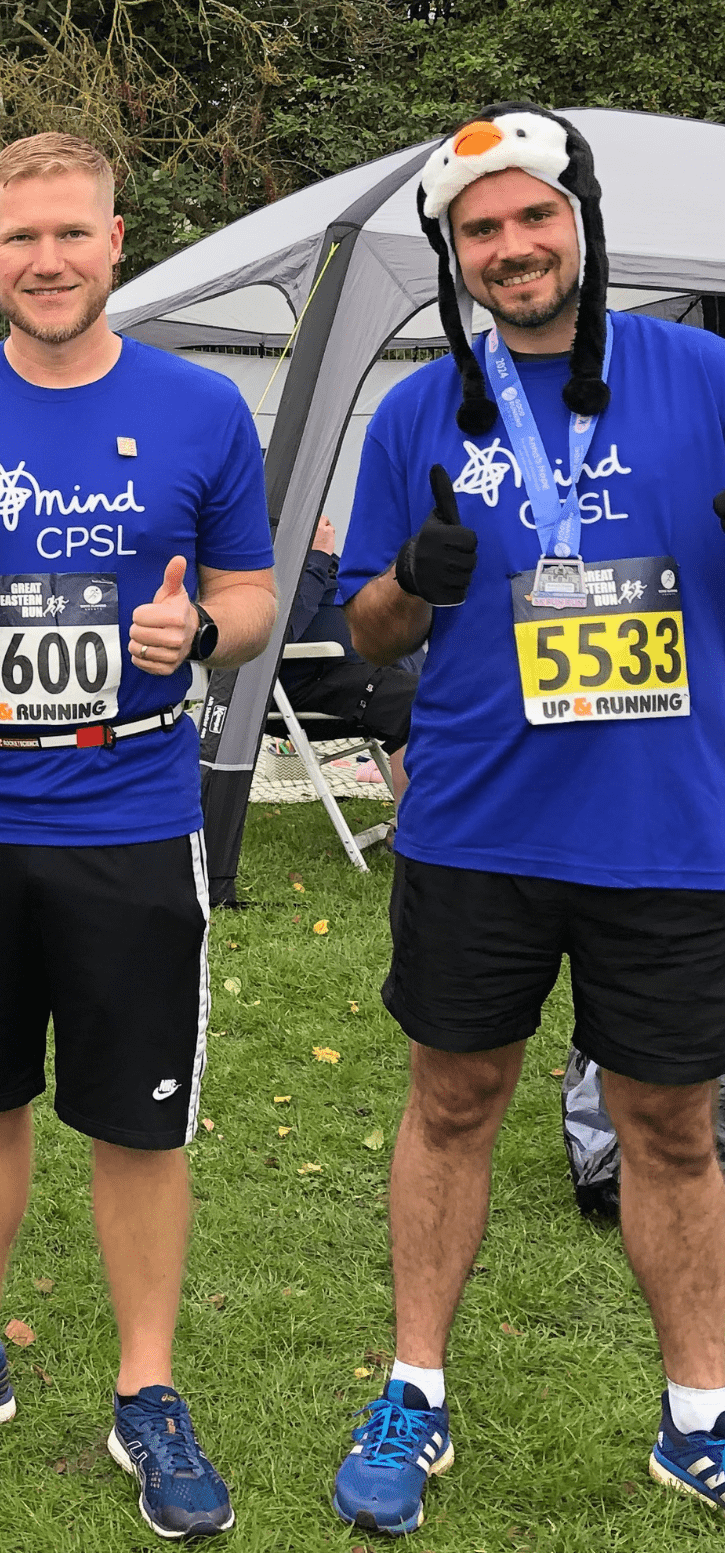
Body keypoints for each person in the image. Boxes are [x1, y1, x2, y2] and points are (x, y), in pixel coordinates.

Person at [0, 131, 276, 1542]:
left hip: (131, 806)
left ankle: (148, 1389)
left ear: (115, 240)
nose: (46, 260)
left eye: (71, 234)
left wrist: (198, 629)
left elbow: (255, 592)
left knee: (137, 1114)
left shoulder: (203, 410)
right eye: (19, 238)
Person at [329, 103, 725, 1535]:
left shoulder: (704, 377)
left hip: (669, 832)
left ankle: (701, 1416)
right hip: (478, 831)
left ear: (581, 225)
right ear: (454, 253)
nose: (511, 247)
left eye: (531, 217)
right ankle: (415, 1389)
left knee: (671, 1126)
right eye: (479, 229)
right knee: (453, 1103)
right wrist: (417, 583)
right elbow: (364, 629)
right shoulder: (418, 409)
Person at [278, 514, 414, 801]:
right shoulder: (258, 551)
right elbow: (283, 632)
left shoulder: (296, 538)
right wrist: (316, 556)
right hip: (299, 682)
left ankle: (436, 822)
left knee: (440, 688)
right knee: (414, 701)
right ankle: (412, 830)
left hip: (348, 668)